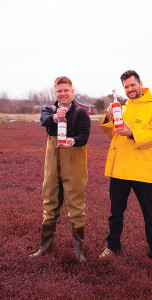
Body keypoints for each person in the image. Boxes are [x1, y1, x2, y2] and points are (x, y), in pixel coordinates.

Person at [100, 70, 152, 266]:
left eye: (132, 85)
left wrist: (132, 132)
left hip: (143, 170)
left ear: (140, 84)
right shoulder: (122, 108)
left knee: (150, 213)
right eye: (126, 87)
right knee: (115, 212)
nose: (130, 89)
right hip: (120, 169)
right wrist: (109, 118)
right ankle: (112, 246)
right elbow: (111, 133)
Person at [29, 76, 91, 262]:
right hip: (52, 165)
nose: (63, 93)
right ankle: (44, 247)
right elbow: (44, 120)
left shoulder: (81, 113)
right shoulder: (50, 110)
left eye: (66, 90)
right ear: (55, 93)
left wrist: (72, 141)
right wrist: (56, 117)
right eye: (59, 91)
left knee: (76, 207)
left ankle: (79, 251)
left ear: (72, 92)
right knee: (49, 204)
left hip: (74, 164)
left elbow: (84, 137)